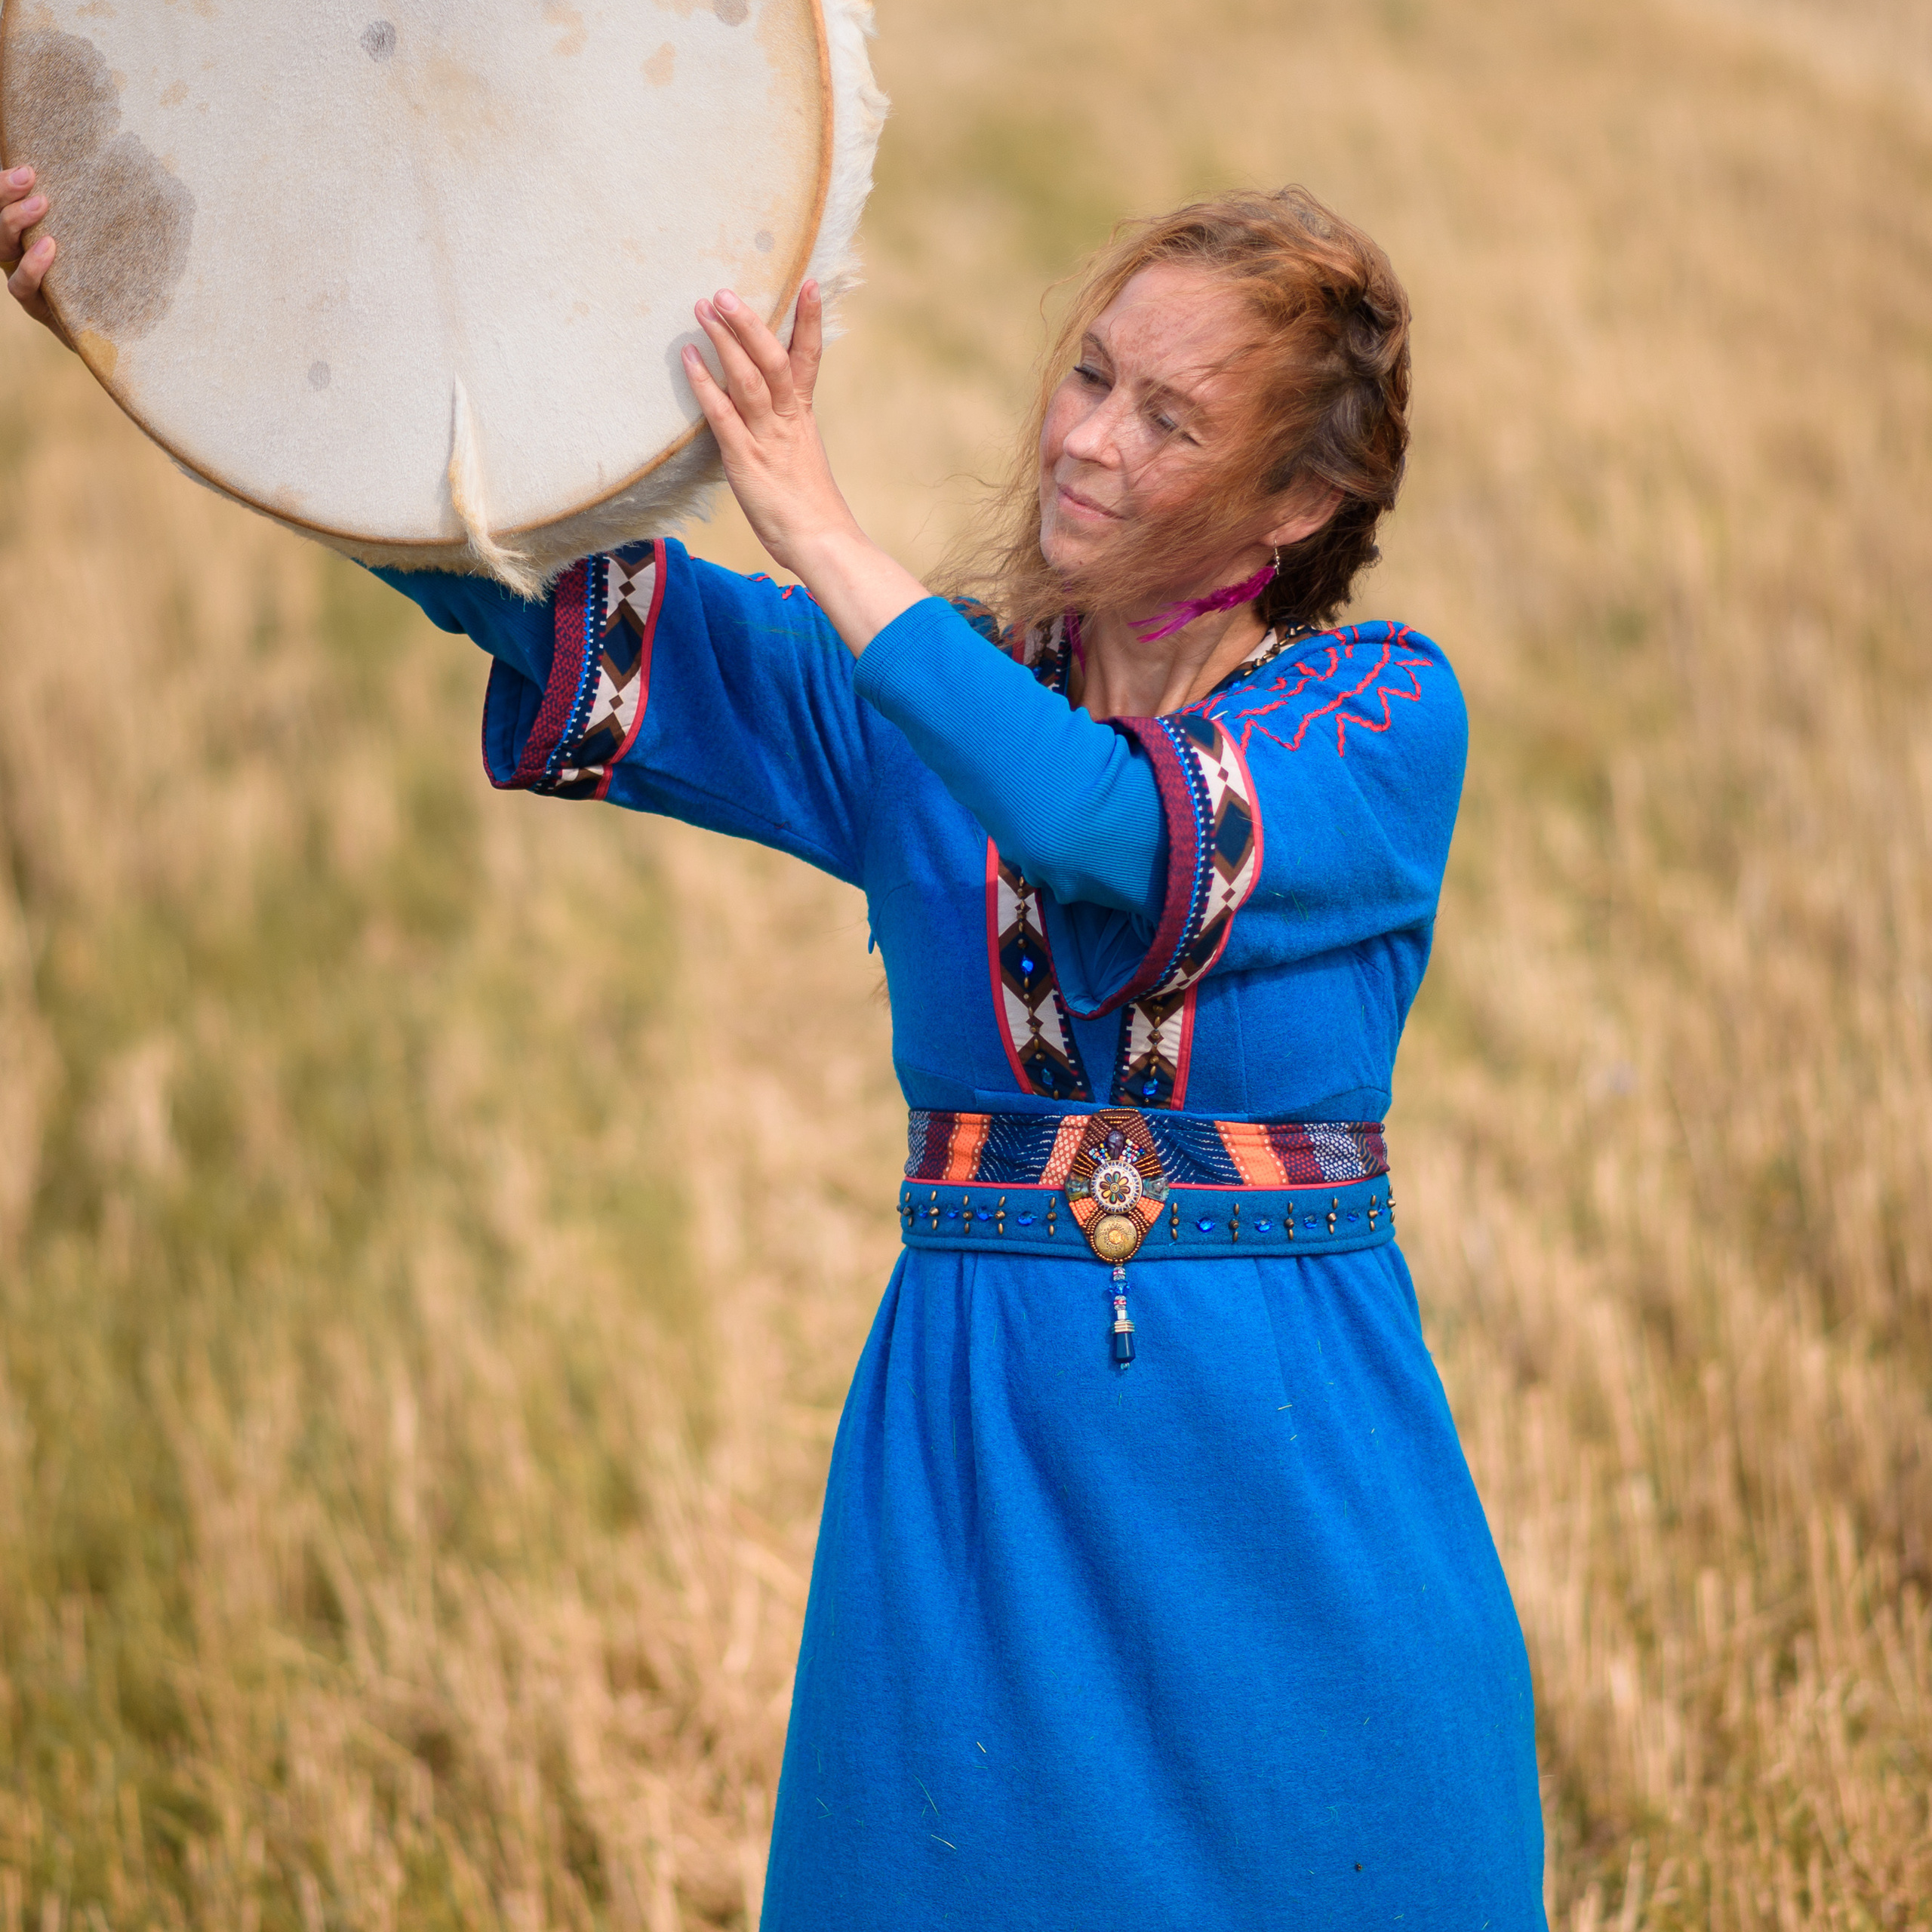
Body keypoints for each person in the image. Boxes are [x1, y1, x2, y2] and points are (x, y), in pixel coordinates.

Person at [7, 172, 1548, 1927]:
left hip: (1292, 1522)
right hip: (976, 1507)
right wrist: (170, 342)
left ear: (1299, 494)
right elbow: (512, 588)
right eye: (1092, 373)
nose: (1089, 438)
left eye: (1169, 418)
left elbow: (1100, 830)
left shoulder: (1375, 715)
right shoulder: (919, 708)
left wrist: (812, 523)